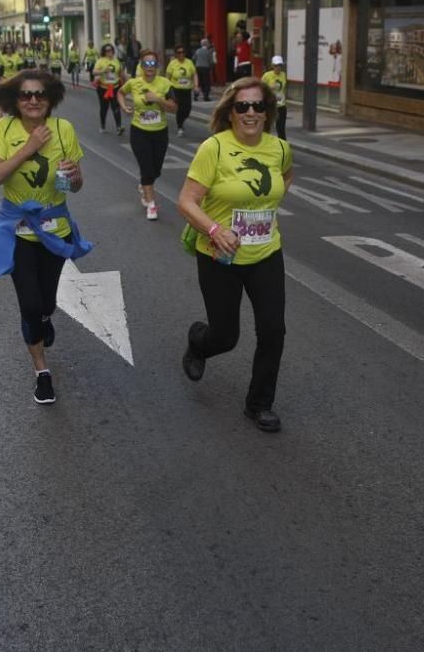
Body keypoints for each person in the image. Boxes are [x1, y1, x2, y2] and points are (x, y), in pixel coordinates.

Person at [176, 77, 293, 433]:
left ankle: (259, 404)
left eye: (259, 106)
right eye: (243, 106)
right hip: (218, 256)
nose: (251, 113)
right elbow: (186, 201)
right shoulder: (214, 148)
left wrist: (262, 209)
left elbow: (285, 179)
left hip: (266, 253)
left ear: (268, 111)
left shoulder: (280, 149)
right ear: (230, 112)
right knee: (226, 337)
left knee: (273, 331)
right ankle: (199, 343)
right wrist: (215, 230)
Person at [0, 69, 92, 405]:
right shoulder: (4, 128)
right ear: (15, 100)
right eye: (26, 95)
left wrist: (74, 176)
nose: (33, 100)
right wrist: (28, 148)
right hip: (18, 231)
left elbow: (77, 184)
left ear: (50, 98)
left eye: (40, 94)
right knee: (29, 304)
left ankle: (44, 318)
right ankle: (42, 372)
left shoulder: (63, 129)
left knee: (46, 303)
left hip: (55, 230)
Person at [119, 50, 176, 221]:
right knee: (146, 168)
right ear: (141, 66)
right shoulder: (134, 83)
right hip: (139, 131)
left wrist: (158, 99)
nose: (150, 67)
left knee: (156, 169)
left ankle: (144, 186)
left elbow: (174, 108)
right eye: (146, 63)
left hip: (160, 132)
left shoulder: (165, 84)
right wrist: (124, 106)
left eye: (153, 63)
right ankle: (151, 204)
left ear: (157, 66)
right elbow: (120, 92)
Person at [92, 44, 126, 135]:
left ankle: (119, 127)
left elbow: (121, 73)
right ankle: (102, 126)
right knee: (104, 108)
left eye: (111, 50)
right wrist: (103, 71)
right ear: (104, 52)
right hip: (103, 88)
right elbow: (94, 72)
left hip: (114, 87)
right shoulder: (100, 61)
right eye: (107, 50)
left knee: (116, 106)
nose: (109, 52)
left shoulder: (116, 61)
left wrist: (126, 84)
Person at [166, 45, 197, 137]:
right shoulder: (172, 64)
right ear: (176, 54)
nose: (181, 54)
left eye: (183, 52)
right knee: (179, 108)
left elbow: (194, 74)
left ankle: (182, 121)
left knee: (187, 108)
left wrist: (196, 86)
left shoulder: (189, 62)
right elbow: (168, 76)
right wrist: (167, 89)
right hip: (176, 89)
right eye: (179, 52)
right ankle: (180, 127)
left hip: (187, 89)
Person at [261, 55, 287, 140]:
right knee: (267, 126)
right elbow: (260, 88)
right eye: (276, 65)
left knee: (281, 128)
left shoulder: (283, 75)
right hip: (270, 105)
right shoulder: (267, 76)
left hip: (281, 105)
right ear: (272, 66)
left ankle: (283, 146)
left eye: (279, 65)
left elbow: (283, 89)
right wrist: (269, 88)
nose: (278, 68)